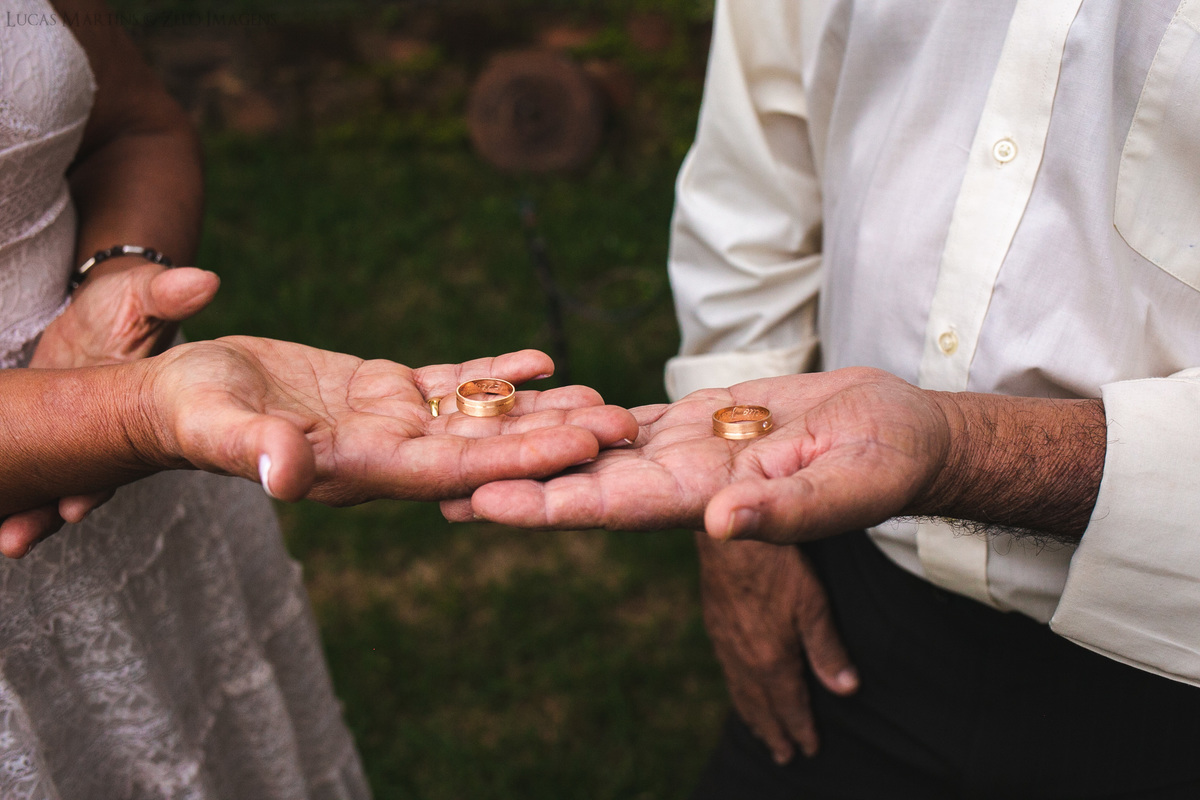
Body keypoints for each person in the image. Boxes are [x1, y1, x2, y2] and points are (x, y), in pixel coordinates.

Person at [456, 1, 1200, 797]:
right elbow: (756, 166)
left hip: (1169, 662)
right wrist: (743, 523)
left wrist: (957, 446)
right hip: (851, 605)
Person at [0, 1, 635, 797]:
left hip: (154, 484)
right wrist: (128, 413)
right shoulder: (152, 414)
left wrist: (120, 280)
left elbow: (137, 128)